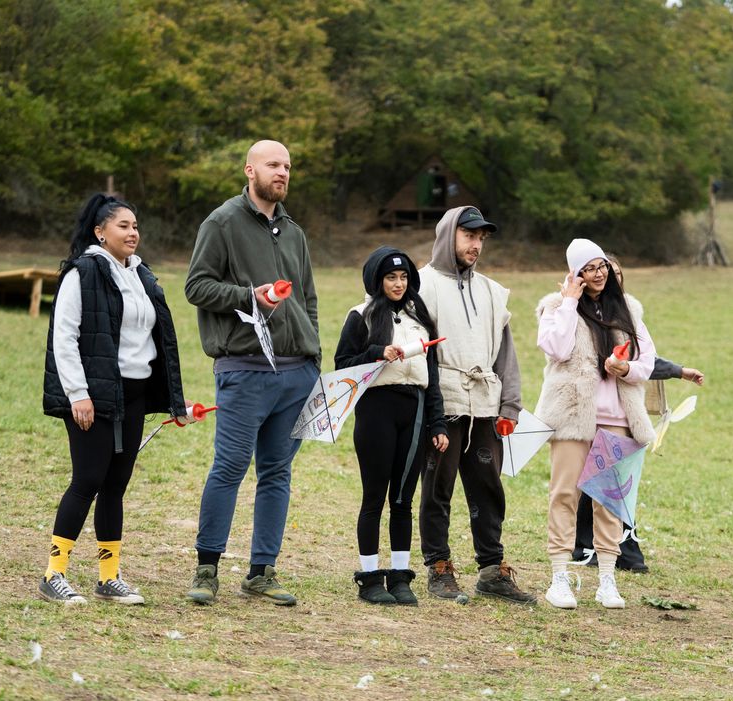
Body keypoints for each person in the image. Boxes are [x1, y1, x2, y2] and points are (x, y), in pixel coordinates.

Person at [184, 140, 321, 606]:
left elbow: (308, 300)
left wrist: (313, 353)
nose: (282, 173)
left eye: (287, 166)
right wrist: (250, 296)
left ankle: (262, 571)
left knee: (277, 474)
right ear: (250, 170)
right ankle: (207, 569)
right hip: (244, 370)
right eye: (273, 165)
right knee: (229, 467)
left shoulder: (294, 231)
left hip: (296, 374)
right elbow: (196, 286)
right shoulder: (222, 222)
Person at [40, 193, 187, 605]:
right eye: (123, 226)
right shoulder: (82, 273)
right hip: (94, 395)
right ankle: (54, 573)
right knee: (87, 480)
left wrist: (174, 401)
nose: (133, 233)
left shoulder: (142, 276)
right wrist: (78, 394)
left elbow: (160, 342)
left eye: (136, 226)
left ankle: (108, 577)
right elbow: (63, 338)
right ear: (100, 231)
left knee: (115, 487)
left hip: (134, 395)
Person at [416, 206, 535, 603]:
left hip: (485, 401)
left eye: (481, 238)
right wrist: (426, 405)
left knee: (487, 487)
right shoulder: (422, 284)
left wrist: (510, 405)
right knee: (438, 486)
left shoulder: (490, 290)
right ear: (449, 234)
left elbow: (506, 353)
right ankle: (438, 567)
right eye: (469, 236)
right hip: (443, 402)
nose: (476, 245)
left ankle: (491, 569)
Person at [535, 239, 657, 609]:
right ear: (575, 274)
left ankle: (607, 578)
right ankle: (559, 577)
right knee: (564, 494)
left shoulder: (628, 310)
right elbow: (556, 348)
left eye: (600, 266)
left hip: (616, 420)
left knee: (609, 503)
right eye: (587, 269)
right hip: (572, 416)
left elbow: (647, 361)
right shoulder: (556, 308)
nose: (598, 274)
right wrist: (570, 300)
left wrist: (626, 368)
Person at [570, 255, 704, 573]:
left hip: (627, 413)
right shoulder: (587, 313)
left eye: (616, 273)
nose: (611, 278)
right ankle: (586, 547)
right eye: (606, 272)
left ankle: (621, 545)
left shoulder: (628, 313)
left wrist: (678, 371)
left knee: (618, 479)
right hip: (594, 410)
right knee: (595, 477)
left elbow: (645, 359)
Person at [335, 247, 450, 605]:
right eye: (390, 277)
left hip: (413, 412)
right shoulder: (360, 316)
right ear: (377, 280)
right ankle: (370, 578)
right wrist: (376, 352)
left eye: (403, 277)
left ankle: (401, 578)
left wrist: (438, 424)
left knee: (403, 499)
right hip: (375, 412)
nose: (398, 284)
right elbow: (342, 366)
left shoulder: (420, 318)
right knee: (374, 498)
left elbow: (431, 376)